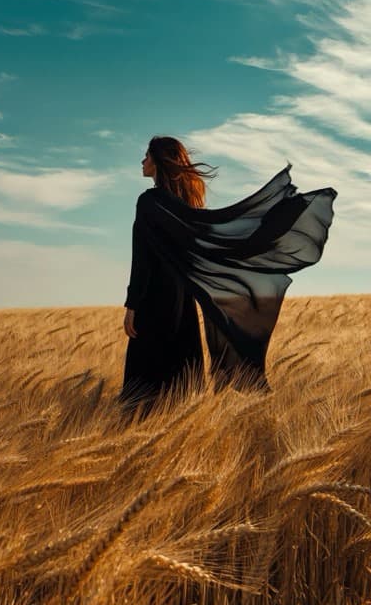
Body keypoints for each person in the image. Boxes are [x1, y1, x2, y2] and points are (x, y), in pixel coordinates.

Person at [120, 136, 337, 414]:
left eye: (147, 155)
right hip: (182, 300)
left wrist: (132, 305)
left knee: (143, 386)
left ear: (160, 161)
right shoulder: (185, 206)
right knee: (178, 382)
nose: (143, 161)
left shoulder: (149, 201)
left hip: (154, 299)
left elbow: (143, 260)